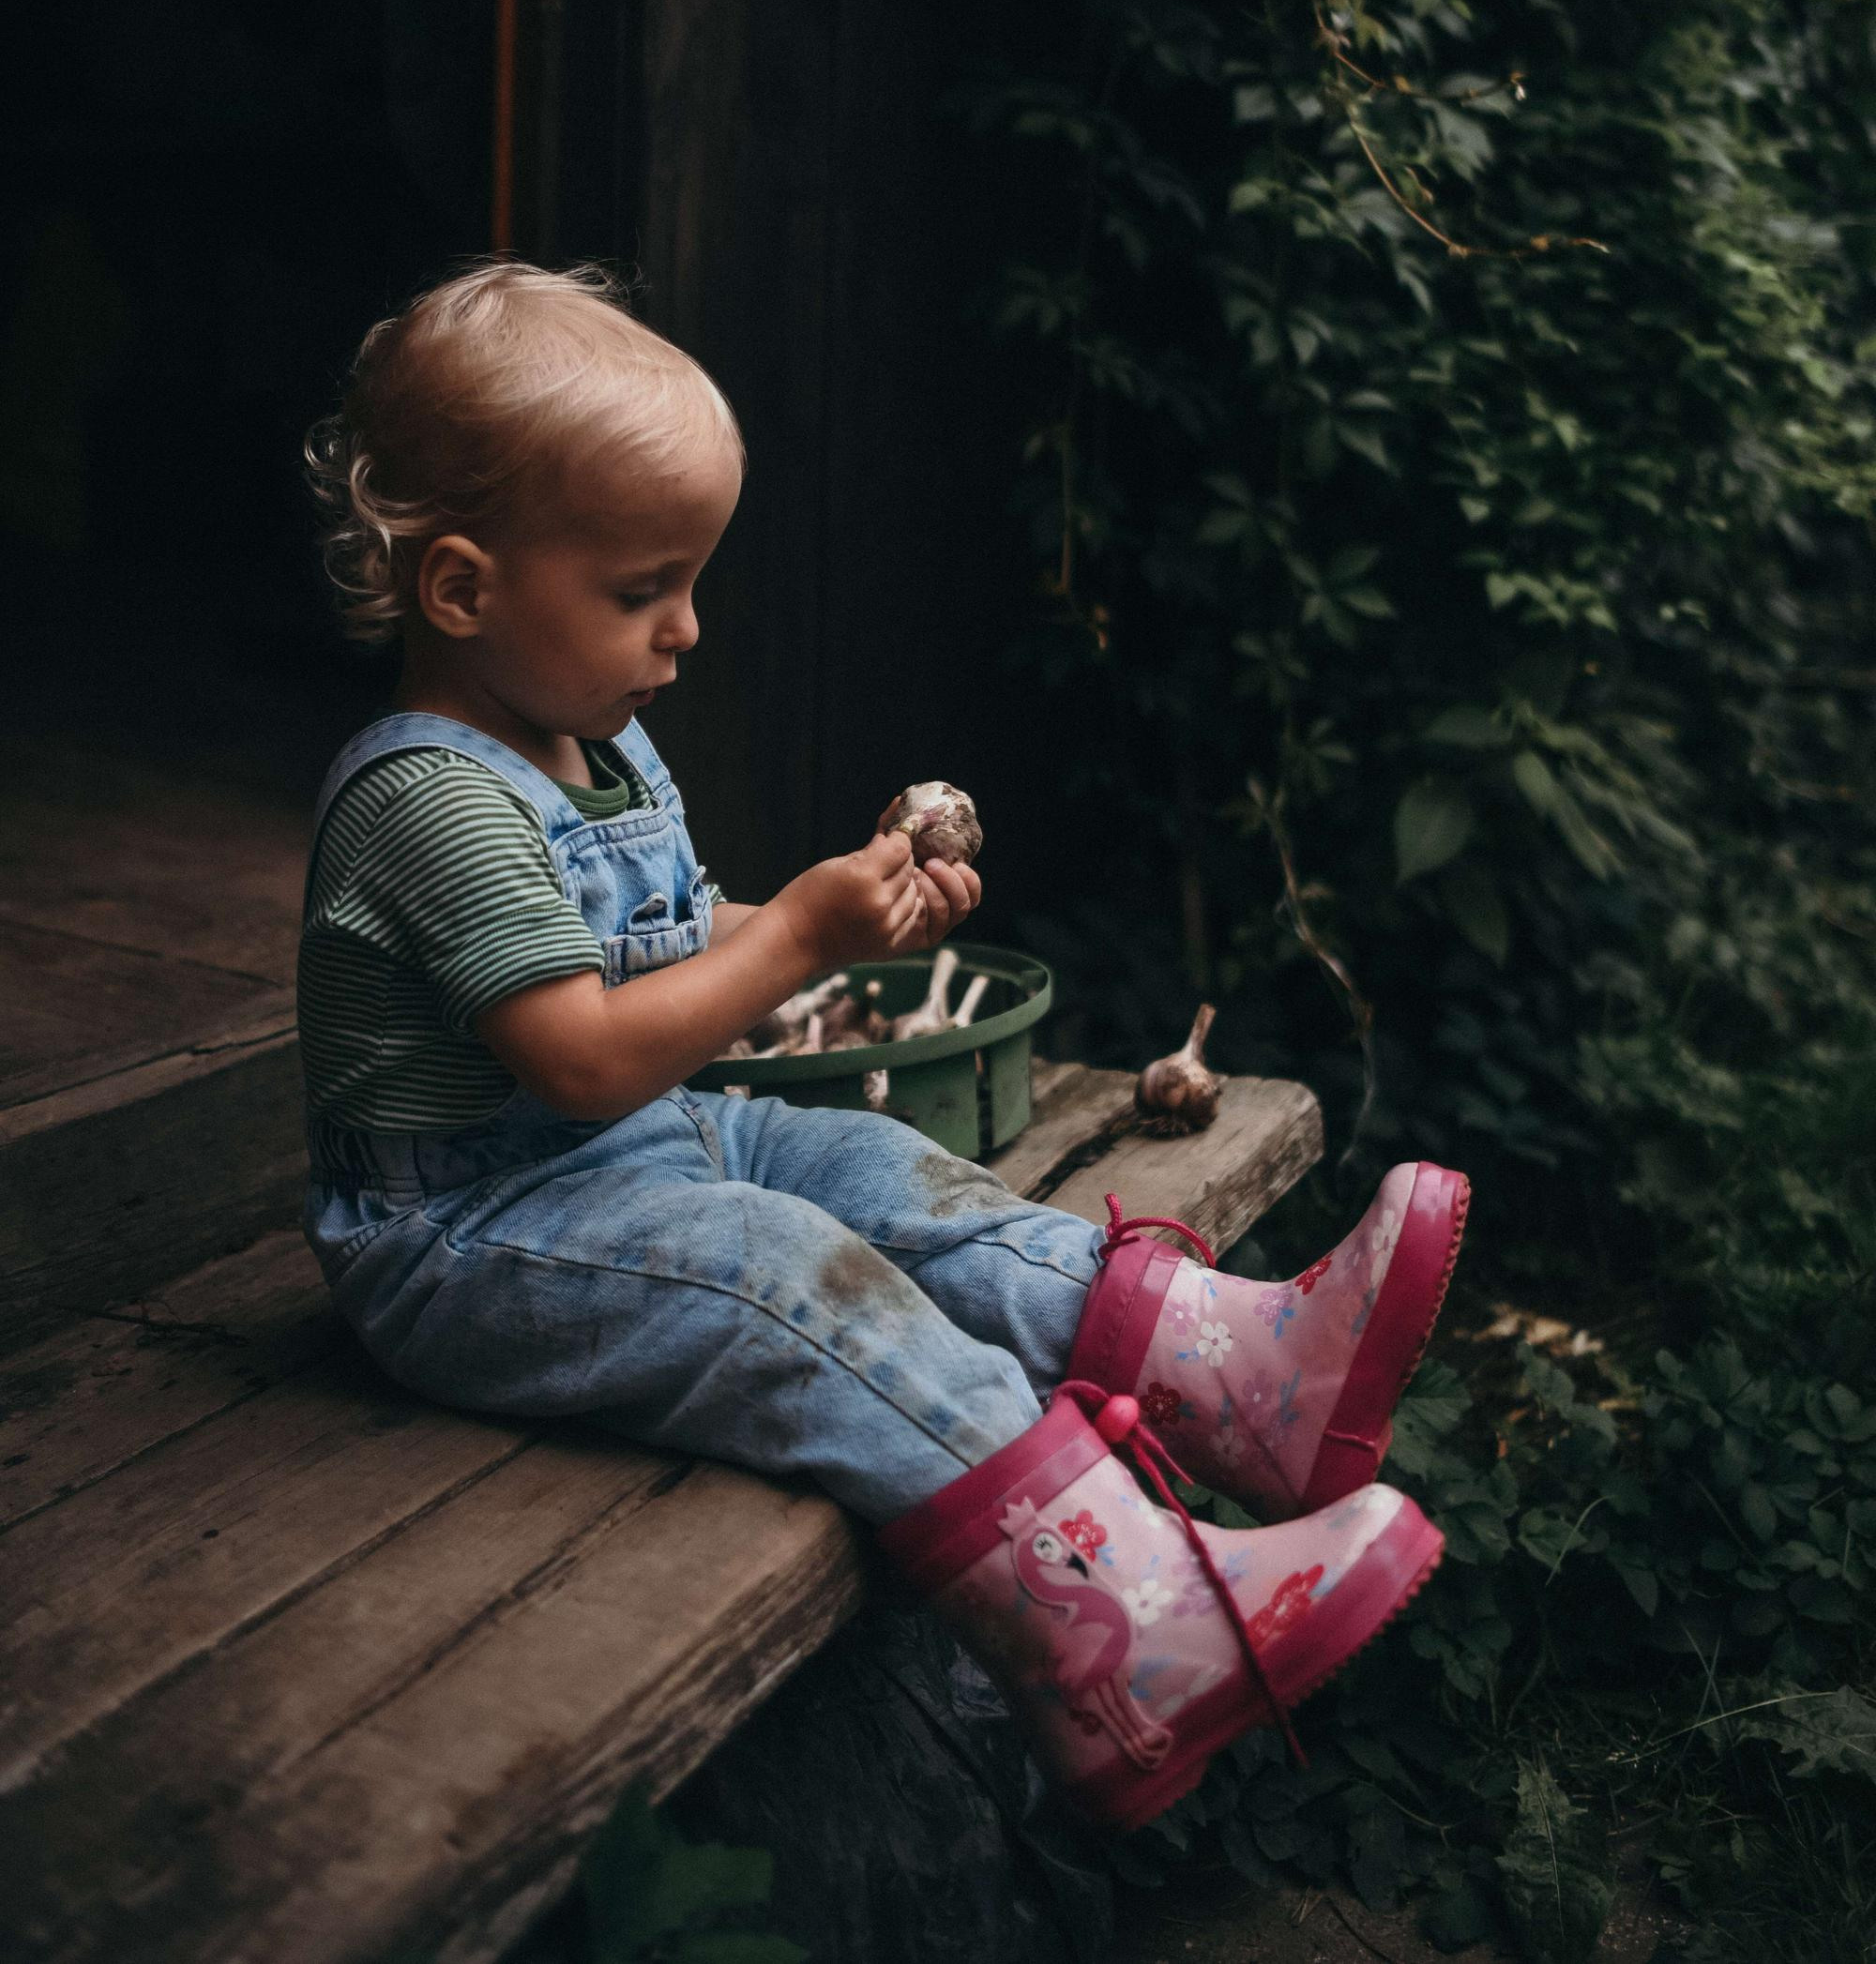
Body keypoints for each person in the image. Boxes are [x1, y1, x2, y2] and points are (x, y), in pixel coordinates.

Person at [298, 259, 1468, 1828]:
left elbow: (668, 942)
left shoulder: (596, 745)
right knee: (781, 1271)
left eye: (691, 581)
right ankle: (1126, 1634)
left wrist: (814, 917)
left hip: (630, 1151)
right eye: (643, 590)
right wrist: (791, 943)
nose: (688, 629)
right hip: (470, 1230)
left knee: (866, 1164)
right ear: (462, 590)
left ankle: (1241, 1370)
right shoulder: (426, 798)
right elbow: (574, 1055)